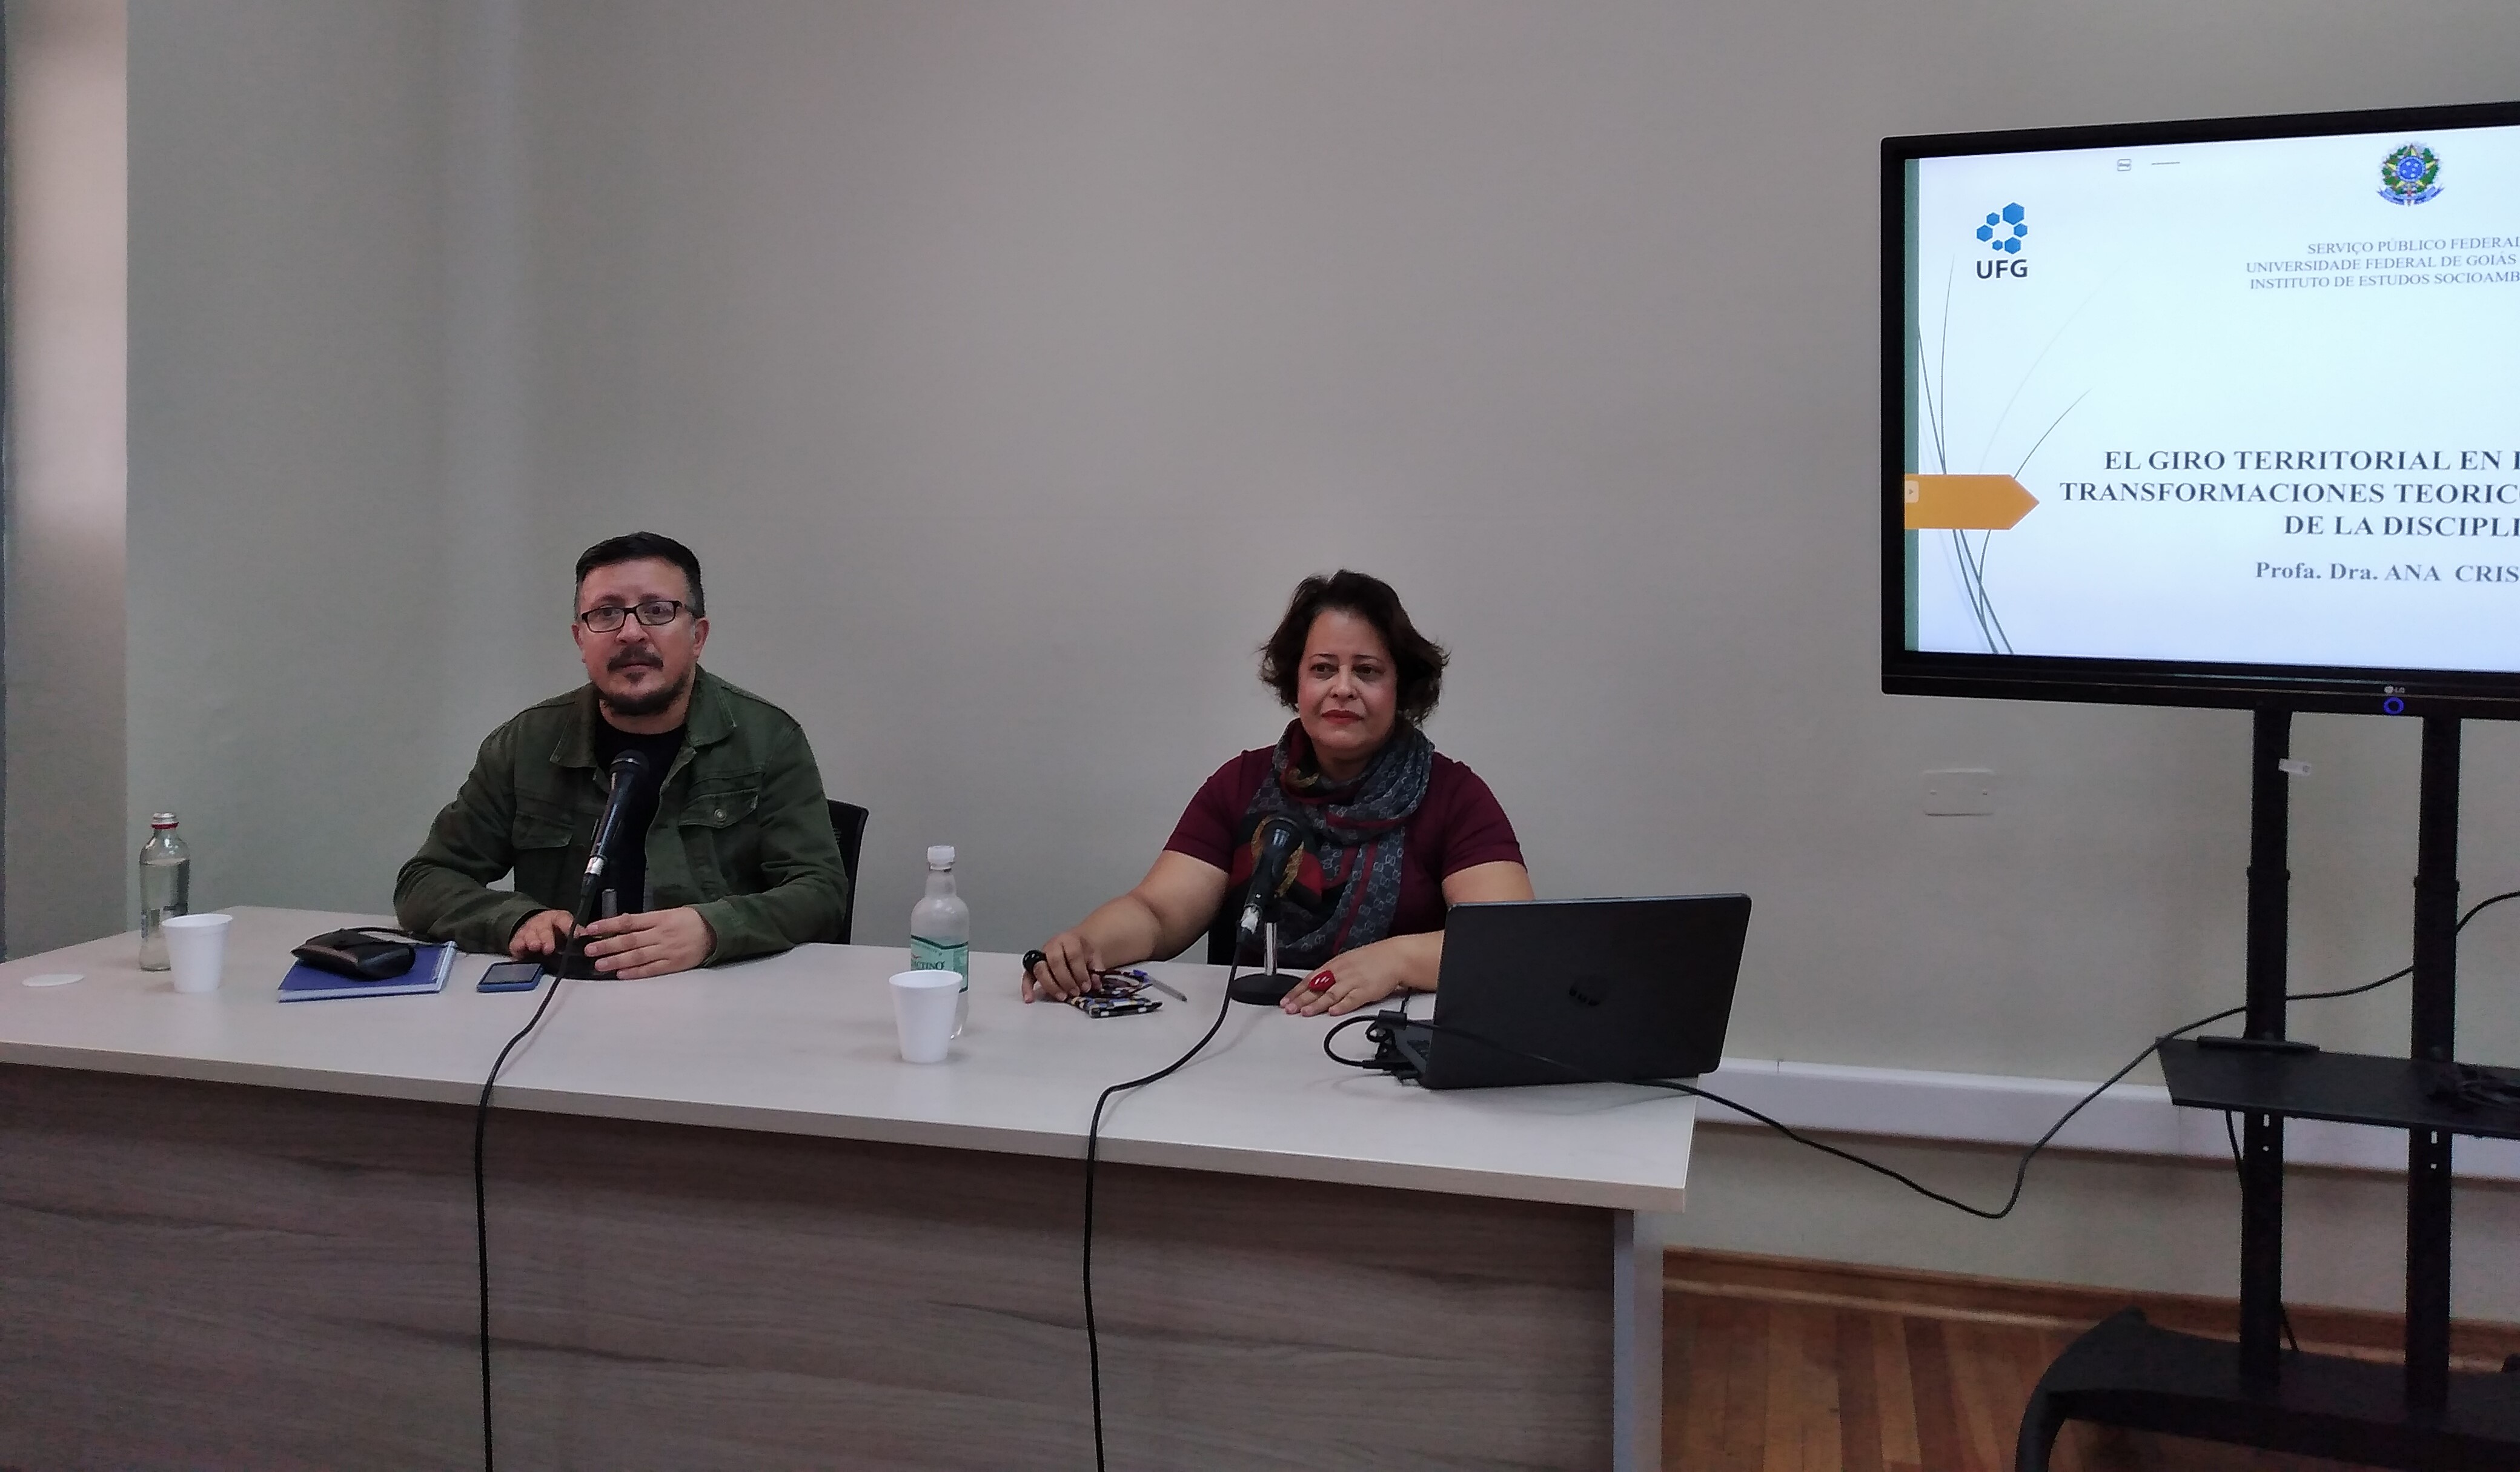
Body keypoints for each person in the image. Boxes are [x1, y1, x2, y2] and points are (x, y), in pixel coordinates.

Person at [1025, 570, 1531, 1017]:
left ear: (1402, 687)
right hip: (1246, 1043)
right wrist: (1088, 945)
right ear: (1297, 682)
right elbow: (1157, 913)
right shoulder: (1241, 783)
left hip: (1382, 1046)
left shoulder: (1452, 795)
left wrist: (1397, 960)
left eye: (1368, 671)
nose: (1343, 688)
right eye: (1323, 668)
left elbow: (1508, 941)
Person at [396, 532, 849, 978]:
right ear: (580, 640)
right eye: (607, 614)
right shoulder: (526, 743)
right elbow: (425, 881)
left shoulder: (768, 738)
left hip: (715, 992)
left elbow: (821, 891)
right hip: (567, 991)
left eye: (657, 611)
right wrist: (514, 920)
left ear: (698, 635)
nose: (631, 633)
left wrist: (713, 930)